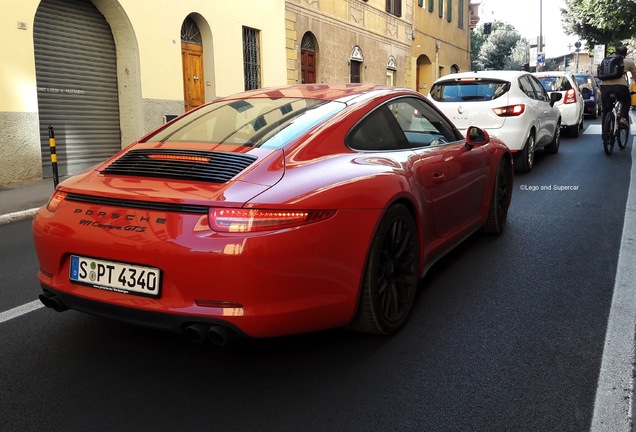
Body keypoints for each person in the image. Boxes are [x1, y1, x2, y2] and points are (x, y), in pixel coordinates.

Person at [600, 46, 636, 134]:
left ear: (616, 52)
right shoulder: (629, 62)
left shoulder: (606, 61)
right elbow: (635, 77)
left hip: (604, 87)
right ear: (626, 53)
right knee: (626, 100)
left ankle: (605, 135)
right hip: (620, 87)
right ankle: (623, 118)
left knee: (606, 111)